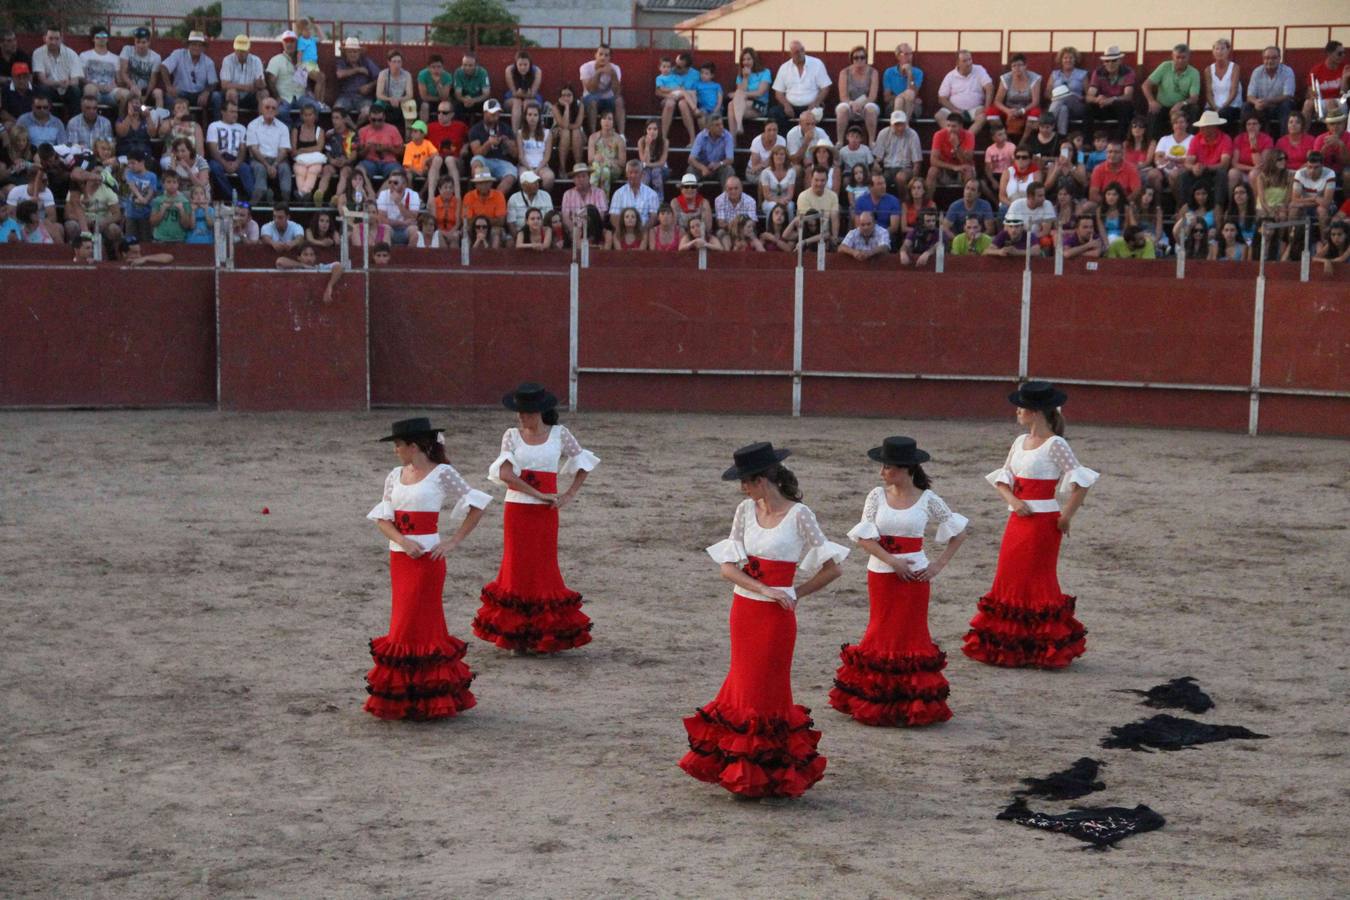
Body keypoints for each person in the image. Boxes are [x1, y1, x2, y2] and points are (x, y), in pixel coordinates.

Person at [680, 441, 845, 799]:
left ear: (763, 479)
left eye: (747, 481)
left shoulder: (801, 515)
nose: (743, 488)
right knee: (742, 685)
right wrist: (764, 589)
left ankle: (766, 772)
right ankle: (742, 772)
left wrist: (794, 592)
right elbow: (727, 568)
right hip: (744, 612)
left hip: (776, 619)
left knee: (767, 690)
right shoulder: (744, 510)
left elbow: (834, 569)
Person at [829, 437, 967, 727]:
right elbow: (864, 538)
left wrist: (937, 565)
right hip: (881, 575)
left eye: (888, 467)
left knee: (910, 635)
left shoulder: (928, 499)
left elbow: (958, 532)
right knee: (880, 630)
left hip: (915, 578)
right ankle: (877, 700)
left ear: (906, 469)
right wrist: (893, 561)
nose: (882, 473)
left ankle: (909, 703)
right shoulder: (876, 496)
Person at [963, 382, 1097, 669]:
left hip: (1043, 525)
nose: (1018, 411)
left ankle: (1036, 647)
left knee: (1035, 580)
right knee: (1010, 576)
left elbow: (1081, 481)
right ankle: (1015, 645)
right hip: (1018, 520)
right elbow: (1003, 478)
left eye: (1022, 407)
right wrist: (1013, 500)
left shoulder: (1056, 444)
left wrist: (1065, 517)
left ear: (1036, 411)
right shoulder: (1019, 442)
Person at [364, 417, 490, 720]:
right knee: (402, 625)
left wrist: (453, 541)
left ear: (414, 446)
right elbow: (383, 518)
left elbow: (478, 504)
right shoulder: (394, 475)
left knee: (419, 625)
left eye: (398, 445)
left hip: (429, 563)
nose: (395, 451)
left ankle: (425, 700)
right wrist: (403, 542)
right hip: (401, 559)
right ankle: (411, 700)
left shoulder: (443, 473)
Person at [474, 383, 598, 654]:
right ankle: (517, 636)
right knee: (516, 566)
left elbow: (584, 463)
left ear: (540, 411)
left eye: (526, 413)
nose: (521, 418)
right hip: (518, 511)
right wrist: (540, 494)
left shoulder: (560, 434)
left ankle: (543, 634)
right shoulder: (510, 436)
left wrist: (569, 494)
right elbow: (506, 475)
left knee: (543, 566)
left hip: (545, 514)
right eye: (519, 413)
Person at [1143, 44, 1201, 138]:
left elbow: (1194, 97)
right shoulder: (1165, 66)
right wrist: (1151, 101)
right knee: (1153, 111)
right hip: (1162, 106)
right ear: (1172, 57)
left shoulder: (1194, 73)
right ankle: (1152, 145)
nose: (1180, 60)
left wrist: (1182, 103)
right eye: (1177, 57)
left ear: (1188, 57)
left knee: (1194, 108)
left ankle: (1190, 141)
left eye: (1183, 57)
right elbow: (1146, 85)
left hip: (1180, 108)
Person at [771, 40, 830, 132]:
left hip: (811, 106)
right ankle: (784, 142)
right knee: (774, 113)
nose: (800, 54)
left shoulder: (817, 64)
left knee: (816, 114)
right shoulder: (784, 68)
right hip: (791, 107)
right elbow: (778, 92)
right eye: (796, 52)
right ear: (790, 54)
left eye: (802, 50)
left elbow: (825, 87)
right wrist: (786, 105)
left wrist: (815, 103)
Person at [246, 98, 293, 203]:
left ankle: (285, 202)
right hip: (259, 160)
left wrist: (274, 165)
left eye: (273, 108)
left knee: (285, 168)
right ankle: (258, 199)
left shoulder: (283, 127)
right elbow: (254, 149)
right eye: (267, 107)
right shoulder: (252, 125)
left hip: (278, 160)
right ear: (261, 109)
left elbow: (284, 150)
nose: (270, 110)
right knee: (260, 168)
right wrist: (268, 166)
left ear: (277, 111)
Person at [1242, 47, 1296, 137]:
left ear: (1279, 59)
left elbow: (1288, 95)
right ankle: (1244, 139)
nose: (1270, 61)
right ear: (1263, 59)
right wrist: (1256, 102)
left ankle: (1285, 139)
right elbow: (1250, 95)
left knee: (1287, 104)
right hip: (1261, 106)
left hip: (1279, 106)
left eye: (1274, 58)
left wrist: (1267, 101)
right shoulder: (1257, 72)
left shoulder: (1287, 71)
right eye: (1267, 58)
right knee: (1246, 106)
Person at [935, 50, 993, 134]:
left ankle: (967, 138)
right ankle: (955, 137)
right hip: (954, 110)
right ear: (958, 63)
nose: (969, 63)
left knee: (983, 117)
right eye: (965, 61)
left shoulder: (979, 70)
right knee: (939, 115)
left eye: (970, 59)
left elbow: (989, 87)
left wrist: (987, 108)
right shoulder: (950, 76)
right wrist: (954, 110)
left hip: (975, 109)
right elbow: (942, 98)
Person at [207, 100, 253, 202]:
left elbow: (242, 149)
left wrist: (236, 163)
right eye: (232, 112)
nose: (235, 114)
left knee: (246, 169)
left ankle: (252, 198)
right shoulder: (214, 126)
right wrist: (225, 164)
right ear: (223, 112)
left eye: (236, 112)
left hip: (236, 159)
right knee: (214, 167)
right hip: (219, 158)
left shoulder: (241, 128)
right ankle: (232, 196)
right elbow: (213, 149)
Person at [1085, 46, 1135, 139]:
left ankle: (1120, 141)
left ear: (1120, 60)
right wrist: (1097, 99)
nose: (1110, 64)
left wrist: (1112, 99)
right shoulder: (1098, 72)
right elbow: (1089, 96)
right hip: (1102, 106)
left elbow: (1128, 96)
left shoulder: (1128, 72)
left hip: (1118, 105)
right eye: (1107, 61)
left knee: (1125, 106)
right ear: (1103, 62)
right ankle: (1088, 142)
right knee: (1088, 108)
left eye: (1114, 60)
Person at [469, 99, 518, 193]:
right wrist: (488, 143)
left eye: (498, 112)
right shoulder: (475, 129)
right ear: (485, 113)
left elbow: (516, 154)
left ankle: (496, 198)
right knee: (476, 163)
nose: (495, 115)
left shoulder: (506, 128)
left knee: (511, 174)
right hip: (485, 160)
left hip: (503, 162)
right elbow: (476, 153)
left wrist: (507, 143)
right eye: (492, 113)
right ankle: (481, 195)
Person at [990, 54, 1042, 140]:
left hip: (1026, 108)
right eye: (1014, 66)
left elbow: (1035, 102)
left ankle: (1023, 142)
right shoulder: (1006, 78)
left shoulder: (1034, 78)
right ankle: (1005, 140)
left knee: (1035, 112)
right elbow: (997, 101)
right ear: (1011, 68)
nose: (1017, 68)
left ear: (1025, 66)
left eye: (1020, 65)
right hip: (1009, 109)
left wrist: (1021, 111)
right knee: (991, 111)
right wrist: (1008, 111)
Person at [31, 27, 83, 114]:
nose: (53, 42)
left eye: (57, 39)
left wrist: (67, 83)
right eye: (50, 38)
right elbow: (42, 80)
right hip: (49, 90)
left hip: (66, 90)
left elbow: (75, 81)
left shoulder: (71, 54)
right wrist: (59, 83)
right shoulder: (38, 53)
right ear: (44, 38)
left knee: (75, 90)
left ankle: (74, 123)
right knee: (43, 89)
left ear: (61, 39)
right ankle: (48, 121)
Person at [425, 101, 469, 200]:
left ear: (452, 114)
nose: (440, 115)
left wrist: (465, 148)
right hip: (436, 162)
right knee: (437, 159)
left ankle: (457, 198)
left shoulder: (460, 126)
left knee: (449, 159)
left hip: (456, 161)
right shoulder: (430, 127)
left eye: (444, 113)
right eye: (438, 112)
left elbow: (468, 141)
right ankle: (430, 198)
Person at [836, 46, 880, 145]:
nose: (859, 60)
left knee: (871, 108)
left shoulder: (873, 72)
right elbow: (843, 97)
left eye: (862, 57)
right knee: (842, 109)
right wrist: (852, 104)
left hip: (867, 104)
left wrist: (861, 104)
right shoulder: (844, 73)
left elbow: (873, 96)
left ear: (866, 58)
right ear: (852, 59)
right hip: (849, 104)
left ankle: (872, 142)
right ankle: (840, 141)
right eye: (856, 58)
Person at [872, 110, 923, 195]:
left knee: (900, 177)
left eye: (902, 124)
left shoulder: (912, 134)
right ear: (891, 124)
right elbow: (878, 158)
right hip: (887, 169)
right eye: (897, 124)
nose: (900, 127)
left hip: (906, 168)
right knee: (875, 178)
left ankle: (903, 203)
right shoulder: (883, 133)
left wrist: (914, 178)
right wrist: (876, 166)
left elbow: (917, 162)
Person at [213, 34, 264, 119]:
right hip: (233, 94)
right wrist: (247, 87)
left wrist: (260, 83)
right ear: (234, 49)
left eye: (243, 50)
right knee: (231, 93)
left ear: (249, 49)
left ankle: (263, 124)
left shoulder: (256, 60)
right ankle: (231, 124)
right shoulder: (227, 60)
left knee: (263, 93)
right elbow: (224, 85)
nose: (241, 53)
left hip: (250, 96)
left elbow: (262, 84)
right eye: (239, 50)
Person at [579, 44, 624, 134]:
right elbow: (591, 90)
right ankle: (593, 135)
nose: (603, 58)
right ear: (595, 55)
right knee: (592, 101)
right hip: (590, 99)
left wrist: (613, 75)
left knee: (619, 100)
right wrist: (598, 73)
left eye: (606, 55)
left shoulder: (615, 68)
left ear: (610, 58)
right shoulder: (585, 67)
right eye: (600, 54)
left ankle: (622, 135)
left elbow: (617, 92)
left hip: (609, 99)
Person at [729, 48, 772, 140]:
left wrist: (744, 95)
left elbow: (760, 92)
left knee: (732, 104)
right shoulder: (741, 75)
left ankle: (736, 132)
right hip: (743, 107)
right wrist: (745, 78)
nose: (746, 62)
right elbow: (740, 92)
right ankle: (735, 136)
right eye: (743, 60)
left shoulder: (765, 72)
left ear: (754, 59)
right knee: (731, 105)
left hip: (760, 105)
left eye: (748, 59)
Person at [926, 116, 976, 195]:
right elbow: (933, 161)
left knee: (968, 170)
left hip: (963, 168)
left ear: (961, 126)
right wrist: (953, 167)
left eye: (954, 126)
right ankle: (928, 203)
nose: (950, 129)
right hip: (945, 169)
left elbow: (967, 161)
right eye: (948, 126)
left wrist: (957, 146)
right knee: (932, 171)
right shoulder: (939, 135)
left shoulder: (969, 135)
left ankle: (967, 203)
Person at [334, 37, 380, 123]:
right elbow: (339, 74)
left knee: (367, 112)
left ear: (359, 52)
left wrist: (369, 86)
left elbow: (380, 77)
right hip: (345, 96)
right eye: (350, 51)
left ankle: (356, 129)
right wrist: (358, 70)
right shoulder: (341, 62)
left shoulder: (366, 61)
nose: (353, 54)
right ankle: (353, 128)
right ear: (345, 53)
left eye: (355, 51)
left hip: (364, 98)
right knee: (337, 112)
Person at [1304, 41, 1350, 124]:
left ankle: (1334, 134)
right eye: (1339, 53)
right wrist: (1312, 94)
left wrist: (1345, 78)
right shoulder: (1316, 70)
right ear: (1329, 54)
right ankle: (1302, 134)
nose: (1343, 56)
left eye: (1344, 53)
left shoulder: (1346, 69)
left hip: (1340, 101)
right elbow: (1309, 93)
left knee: (1331, 102)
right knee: (1307, 103)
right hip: (1321, 102)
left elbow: (1344, 95)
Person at [356, 101, 403, 183]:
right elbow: (359, 155)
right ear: (369, 118)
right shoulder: (362, 131)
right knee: (358, 172)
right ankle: (370, 193)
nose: (376, 123)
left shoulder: (393, 129)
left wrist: (389, 148)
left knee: (398, 174)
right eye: (373, 120)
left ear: (384, 118)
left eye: (379, 120)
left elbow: (402, 152)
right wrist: (366, 149)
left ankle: (380, 195)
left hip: (389, 162)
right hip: (370, 161)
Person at [1046, 48, 1087, 137]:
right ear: (1061, 60)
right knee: (1063, 109)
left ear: (1075, 60)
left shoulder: (1082, 74)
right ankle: (1062, 137)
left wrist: (1079, 97)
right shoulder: (1055, 74)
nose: (1068, 60)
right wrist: (1054, 99)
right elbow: (1047, 93)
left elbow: (1088, 94)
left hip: (1076, 105)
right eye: (1065, 58)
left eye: (1071, 58)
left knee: (1064, 96)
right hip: (1058, 104)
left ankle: (1047, 122)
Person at [609, 159, 660, 230]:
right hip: (624, 234)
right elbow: (614, 217)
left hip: (644, 232)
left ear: (642, 174)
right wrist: (623, 232)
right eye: (630, 172)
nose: (633, 175)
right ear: (626, 174)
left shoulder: (652, 194)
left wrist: (642, 232)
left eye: (636, 172)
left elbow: (653, 218)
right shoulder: (618, 193)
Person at [291, 102, 327, 200]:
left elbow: (319, 148)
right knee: (299, 170)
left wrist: (302, 150)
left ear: (314, 116)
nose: (308, 118)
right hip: (300, 162)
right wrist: (303, 151)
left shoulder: (320, 130)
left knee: (313, 170)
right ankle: (305, 194)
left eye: (310, 115)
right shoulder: (296, 130)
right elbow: (294, 150)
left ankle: (302, 193)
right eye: (305, 115)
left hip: (315, 161)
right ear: (302, 116)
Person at [515, 101, 554, 191]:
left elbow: (547, 156)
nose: (532, 118)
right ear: (525, 116)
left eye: (535, 115)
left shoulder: (547, 133)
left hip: (542, 166)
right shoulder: (520, 133)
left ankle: (543, 199)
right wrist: (530, 169)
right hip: (525, 165)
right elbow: (521, 156)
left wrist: (537, 170)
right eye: (529, 114)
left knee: (549, 177)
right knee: (524, 178)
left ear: (539, 117)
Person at [80, 28, 122, 110]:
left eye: (104, 36)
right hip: (93, 89)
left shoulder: (115, 58)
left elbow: (119, 80)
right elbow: (82, 78)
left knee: (125, 94)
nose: (101, 39)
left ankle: (121, 121)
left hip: (111, 91)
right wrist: (98, 87)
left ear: (107, 39)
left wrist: (113, 87)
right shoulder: (84, 56)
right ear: (93, 39)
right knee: (89, 89)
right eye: (98, 36)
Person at [1205, 39, 1243, 126]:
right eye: (1217, 49)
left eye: (1222, 48)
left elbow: (1234, 91)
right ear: (1213, 51)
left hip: (1231, 106)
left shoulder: (1235, 67)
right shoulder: (1208, 70)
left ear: (1228, 51)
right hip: (1213, 106)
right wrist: (1215, 107)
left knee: (1223, 115)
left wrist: (1222, 107)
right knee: (1206, 116)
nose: (1219, 51)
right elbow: (1208, 93)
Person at [796, 168, 839, 246]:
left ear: (827, 180)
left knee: (834, 214)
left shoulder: (833, 196)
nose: (819, 183)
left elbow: (834, 217)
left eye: (822, 180)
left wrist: (834, 237)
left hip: (825, 233)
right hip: (809, 232)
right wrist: (825, 217)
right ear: (811, 179)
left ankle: (834, 241)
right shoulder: (803, 196)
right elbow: (810, 220)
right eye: (816, 180)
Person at [376, 169, 420, 245]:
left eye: (395, 183)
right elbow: (382, 219)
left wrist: (399, 203)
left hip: (406, 229)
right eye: (390, 182)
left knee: (415, 231)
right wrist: (403, 223)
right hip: (390, 227)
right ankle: (386, 255)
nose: (391, 185)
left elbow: (413, 218)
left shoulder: (413, 195)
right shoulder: (383, 194)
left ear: (404, 184)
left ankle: (411, 256)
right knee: (385, 228)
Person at [688, 116, 735, 188]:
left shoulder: (727, 136)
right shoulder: (701, 136)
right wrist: (702, 168)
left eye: (722, 124)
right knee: (690, 170)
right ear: (708, 127)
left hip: (719, 168)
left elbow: (730, 159)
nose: (721, 127)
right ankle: (691, 197)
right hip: (702, 167)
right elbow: (691, 159)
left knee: (729, 170)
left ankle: (726, 197)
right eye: (717, 125)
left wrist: (719, 164)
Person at [560, 162, 608, 233]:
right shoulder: (567, 194)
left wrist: (588, 232)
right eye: (578, 177)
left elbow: (601, 216)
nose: (581, 179)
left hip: (594, 232)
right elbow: (565, 218)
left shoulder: (599, 193)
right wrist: (575, 232)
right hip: (574, 232)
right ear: (573, 179)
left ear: (589, 177)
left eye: (584, 176)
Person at [462, 171, 507, 246]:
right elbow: (467, 221)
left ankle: (494, 256)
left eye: (486, 183)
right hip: (474, 228)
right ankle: (468, 256)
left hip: (493, 228)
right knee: (465, 231)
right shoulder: (468, 196)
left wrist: (479, 220)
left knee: (496, 232)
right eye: (480, 183)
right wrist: (487, 221)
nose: (484, 185)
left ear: (491, 183)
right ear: (476, 185)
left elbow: (501, 221)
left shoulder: (499, 195)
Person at [550, 84, 585, 178]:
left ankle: (578, 167)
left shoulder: (580, 105)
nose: (566, 98)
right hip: (559, 135)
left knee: (575, 132)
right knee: (565, 133)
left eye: (569, 95)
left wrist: (568, 128)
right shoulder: (555, 107)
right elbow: (563, 125)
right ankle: (562, 168)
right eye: (563, 95)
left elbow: (578, 123)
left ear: (573, 96)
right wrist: (567, 107)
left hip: (576, 133)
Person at [504, 50, 543, 135]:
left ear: (530, 64)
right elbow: (514, 93)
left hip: (532, 99)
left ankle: (527, 133)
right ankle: (515, 134)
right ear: (516, 64)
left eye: (525, 65)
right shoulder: (510, 70)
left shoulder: (537, 71)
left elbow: (532, 93)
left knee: (527, 103)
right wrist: (520, 94)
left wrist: (526, 94)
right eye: (520, 65)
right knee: (517, 102)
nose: (523, 67)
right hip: (513, 99)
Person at [376, 51, 415, 132]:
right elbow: (379, 94)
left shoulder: (407, 75)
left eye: (399, 62)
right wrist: (390, 99)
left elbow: (410, 94)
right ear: (389, 62)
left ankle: (409, 135)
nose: (397, 64)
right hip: (386, 100)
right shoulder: (383, 74)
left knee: (411, 105)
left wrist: (399, 99)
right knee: (377, 106)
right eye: (394, 62)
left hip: (402, 100)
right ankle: (378, 131)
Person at [882, 43, 923, 119]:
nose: (910, 57)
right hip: (892, 105)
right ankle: (904, 126)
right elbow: (886, 98)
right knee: (900, 102)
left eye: (911, 54)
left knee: (910, 95)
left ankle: (901, 128)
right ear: (898, 56)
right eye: (906, 54)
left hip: (912, 105)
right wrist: (901, 98)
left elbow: (913, 94)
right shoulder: (889, 72)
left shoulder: (918, 72)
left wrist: (910, 75)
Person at [506, 169, 553, 235]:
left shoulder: (546, 195)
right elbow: (511, 223)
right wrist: (518, 238)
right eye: (533, 183)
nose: (536, 184)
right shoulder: (514, 198)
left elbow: (549, 218)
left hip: (541, 232)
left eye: (537, 182)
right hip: (520, 233)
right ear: (523, 186)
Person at [149, 170, 191, 242]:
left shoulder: (185, 201)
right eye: (168, 182)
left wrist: (181, 210)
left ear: (178, 184)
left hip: (179, 239)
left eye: (174, 182)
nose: (172, 185)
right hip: (160, 239)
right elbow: (153, 223)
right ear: (163, 184)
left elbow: (186, 225)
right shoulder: (157, 200)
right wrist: (162, 209)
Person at [451, 52, 490, 123]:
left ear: (476, 65)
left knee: (487, 106)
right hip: (463, 100)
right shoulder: (458, 72)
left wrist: (473, 100)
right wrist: (464, 100)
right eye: (464, 65)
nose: (467, 68)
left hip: (478, 100)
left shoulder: (483, 72)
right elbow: (457, 94)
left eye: (470, 65)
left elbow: (486, 94)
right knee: (455, 106)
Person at [416, 54, 452, 125]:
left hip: (441, 101)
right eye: (433, 67)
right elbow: (424, 97)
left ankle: (444, 127)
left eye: (439, 67)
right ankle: (423, 129)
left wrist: (439, 85)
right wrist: (439, 98)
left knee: (447, 106)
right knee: (425, 106)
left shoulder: (447, 76)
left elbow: (445, 97)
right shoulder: (423, 75)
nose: (436, 69)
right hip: (426, 101)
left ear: (443, 67)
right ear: (428, 68)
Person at [636, 119, 669, 194]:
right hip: (646, 169)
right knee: (645, 176)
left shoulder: (665, 142)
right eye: (649, 129)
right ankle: (643, 199)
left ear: (659, 130)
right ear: (646, 131)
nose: (652, 132)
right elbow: (644, 160)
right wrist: (647, 146)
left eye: (655, 129)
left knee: (655, 171)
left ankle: (659, 200)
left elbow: (662, 162)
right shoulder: (641, 141)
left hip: (662, 169)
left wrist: (648, 164)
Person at [693, 63, 724, 130]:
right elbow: (693, 96)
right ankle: (705, 134)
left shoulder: (716, 85)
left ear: (712, 75)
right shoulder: (697, 85)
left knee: (715, 119)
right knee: (700, 117)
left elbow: (720, 99)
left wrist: (716, 109)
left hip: (716, 108)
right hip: (704, 108)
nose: (703, 75)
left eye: (706, 74)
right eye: (702, 73)